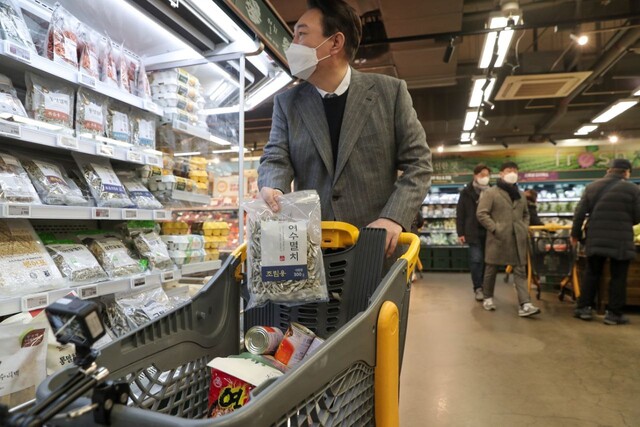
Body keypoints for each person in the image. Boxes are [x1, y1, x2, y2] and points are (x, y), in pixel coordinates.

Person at [258, 0, 432, 258]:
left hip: (375, 248)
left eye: (301, 34)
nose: (292, 44)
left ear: (335, 43)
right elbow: (276, 157)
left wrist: (393, 217)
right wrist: (273, 187)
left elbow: (419, 164)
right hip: (312, 249)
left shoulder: (390, 93)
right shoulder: (287, 103)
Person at [570, 159, 640, 325]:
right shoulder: (634, 189)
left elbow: (579, 214)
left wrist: (575, 235)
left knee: (592, 273)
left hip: (596, 236)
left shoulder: (592, 187)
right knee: (618, 276)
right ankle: (613, 314)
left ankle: (584, 308)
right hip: (621, 240)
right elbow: (638, 216)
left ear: (609, 170)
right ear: (626, 172)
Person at [476, 161, 541, 317]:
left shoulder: (520, 195)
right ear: (501, 174)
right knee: (491, 269)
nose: (512, 173)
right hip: (498, 237)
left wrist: (523, 227)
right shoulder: (491, 193)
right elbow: (481, 213)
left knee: (520, 270)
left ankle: (525, 303)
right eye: (508, 170)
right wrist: (495, 228)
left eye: (515, 171)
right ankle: (487, 297)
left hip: (517, 237)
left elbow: (526, 214)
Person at [456, 164, 491, 301]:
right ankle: (478, 288)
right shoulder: (466, 192)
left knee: (487, 261)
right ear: (475, 175)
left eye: (487, 175)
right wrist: (460, 233)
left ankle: (485, 286)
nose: (485, 177)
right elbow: (460, 213)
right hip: (472, 231)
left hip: (489, 231)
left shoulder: (492, 191)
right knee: (476, 260)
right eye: (482, 175)